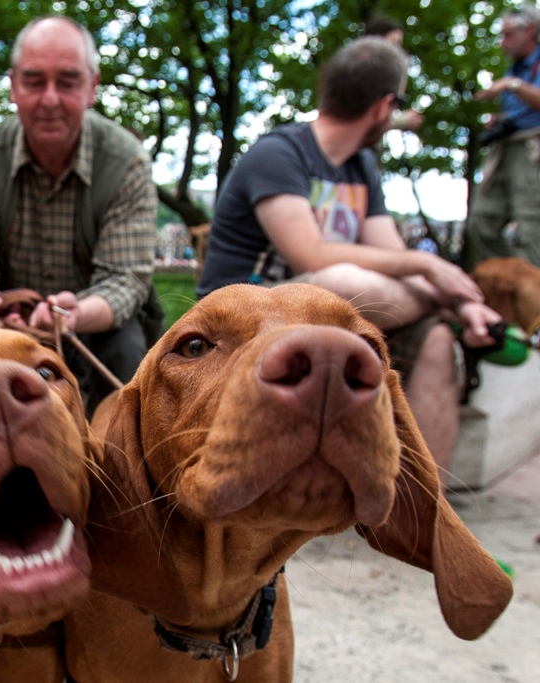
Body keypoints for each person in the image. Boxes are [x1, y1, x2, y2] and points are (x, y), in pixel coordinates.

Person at [197, 37, 502, 487]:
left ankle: (420, 507)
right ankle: (452, 311)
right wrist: (440, 278)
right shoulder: (279, 153)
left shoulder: (360, 166)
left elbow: (392, 257)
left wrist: (427, 273)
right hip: (242, 317)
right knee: (338, 282)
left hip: (332, 309)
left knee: (435, 339)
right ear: (384, 108)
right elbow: (312, 256)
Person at [0, 16, 159, 415]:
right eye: (33, 81)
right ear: (12, 86)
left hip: (95, 326)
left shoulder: (127, 163)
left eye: (66, 82)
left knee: (127, 347)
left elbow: (125, 281)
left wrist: (75, 313)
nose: (49, 99)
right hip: (6, 319)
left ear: (92, 88)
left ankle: (125, 459)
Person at [467, 5, 540, 267]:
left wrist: (512, 85)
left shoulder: (518, 77)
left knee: (531, 226)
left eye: (508, 35)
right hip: (505, 147)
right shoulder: (515, 68)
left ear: (529, 30)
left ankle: (532, 297)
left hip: (532, 149)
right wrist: (500, 121)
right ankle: (508, 281)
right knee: (481, 221)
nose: (502, 43)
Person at [363, 15, 424, 133]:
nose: (398, 52)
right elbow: (359, 121)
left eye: (399, 45)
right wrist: (401, 121)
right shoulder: (359, 75)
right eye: (393, 43)